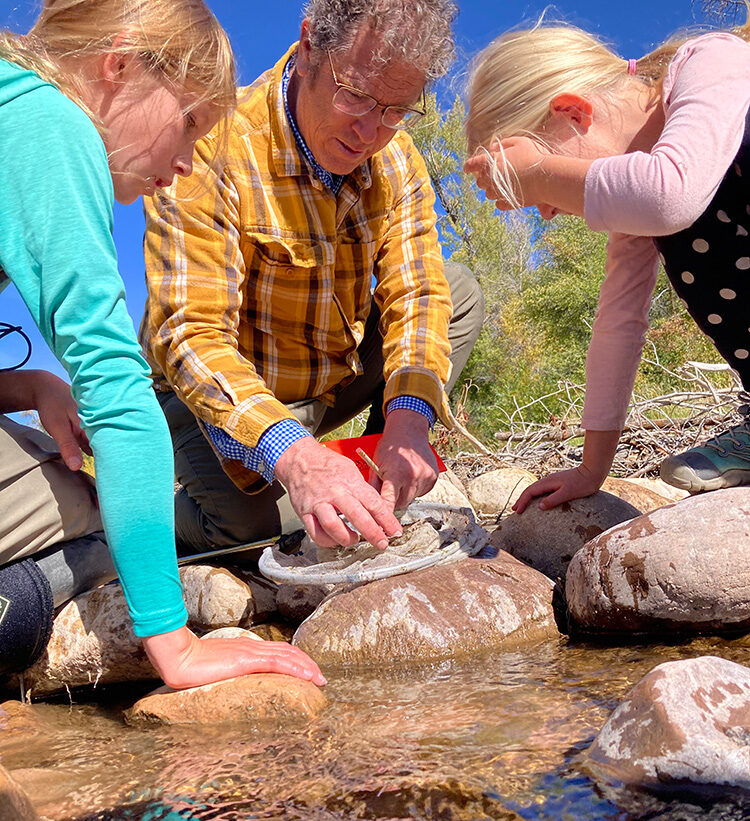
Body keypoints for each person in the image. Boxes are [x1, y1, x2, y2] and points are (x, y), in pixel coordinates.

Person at [0, 0, 324, 690]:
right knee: (90, 510)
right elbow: (114, 385)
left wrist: (28, 386)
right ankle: (17, 605)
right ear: (118, 64)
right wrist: (173, 641)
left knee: (102, 502)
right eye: (188, 124)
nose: (186, 161)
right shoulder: (50, 124)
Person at [141, 0, 484, 555]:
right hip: (218, 396)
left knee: (458, 287)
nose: (370, 131)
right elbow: (191, 335)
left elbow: (418, 292)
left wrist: (409, 418)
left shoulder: (396, 157)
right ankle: (146, 504)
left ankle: (381, 473)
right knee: (247, 534)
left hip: (329, 374)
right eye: (354, 94)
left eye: (397, 109)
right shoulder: (210, 147)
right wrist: (296, 455)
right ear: (307, 47)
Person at [464, 15, 750, 511]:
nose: (549, 210)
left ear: (574, 112)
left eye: (537, 193)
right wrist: (592, 468)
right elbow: (618, 324)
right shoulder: (639, 207)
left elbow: (667, 195)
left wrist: (538, 173)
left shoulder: (715, 61)